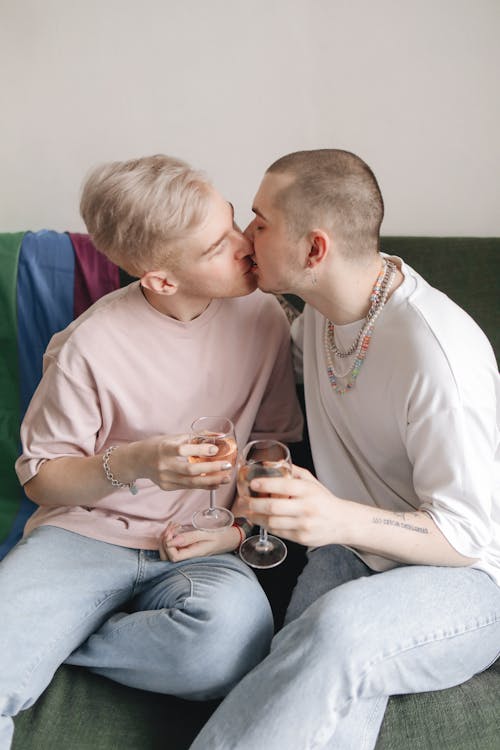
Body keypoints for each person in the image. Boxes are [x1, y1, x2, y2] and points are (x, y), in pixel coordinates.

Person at [189, 149, 500, 749]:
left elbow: (468, 538)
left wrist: (332, 516)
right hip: (356, 554)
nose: (246, 235)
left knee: (335, 631)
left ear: (314, 250)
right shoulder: (323, 315)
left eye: (260, 220)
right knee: (304, 662)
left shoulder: (438, 359)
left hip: (475, 580)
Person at [0, 154, 303, 750]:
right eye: (218, 247)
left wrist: (238, 530)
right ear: (161, 279)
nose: (246, 245)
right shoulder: (88, 346)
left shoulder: (265, 317)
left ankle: (65, 637)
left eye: (235, 223)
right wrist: (137, 462)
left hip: (201, 545)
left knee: (231, 645)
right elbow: (41, 480)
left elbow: (276, 452)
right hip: (82, 538)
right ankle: (44, 629)